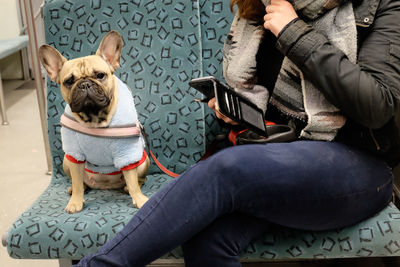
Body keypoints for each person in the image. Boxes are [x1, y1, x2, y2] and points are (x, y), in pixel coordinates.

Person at [73, 0, 400, 266]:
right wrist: (238, 111)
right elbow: (282, 109)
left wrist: (294, 33)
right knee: (205, 238)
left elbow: (377, 105)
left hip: (359, 165)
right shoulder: (259, 12)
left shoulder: (377, 4)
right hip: (283, 157)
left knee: (227, 169)